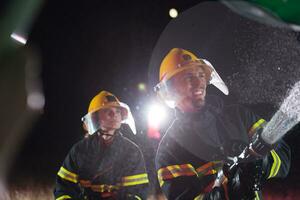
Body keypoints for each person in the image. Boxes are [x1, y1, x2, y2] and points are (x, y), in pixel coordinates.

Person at [154, 48, 291, 199]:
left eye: (201, 75)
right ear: (171, 89)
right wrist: (224, 192)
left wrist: (263, 164)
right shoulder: (170, 151)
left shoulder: (240, 116)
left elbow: (283, 155)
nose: (199, 82)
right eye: (188, 77)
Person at [54, 91, 149, 200]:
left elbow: (139, 193)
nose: (114, 115)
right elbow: (63, 188)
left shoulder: (132, 151)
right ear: (95, 117)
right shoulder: (79, 151)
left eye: (117, 111)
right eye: (108, 111)